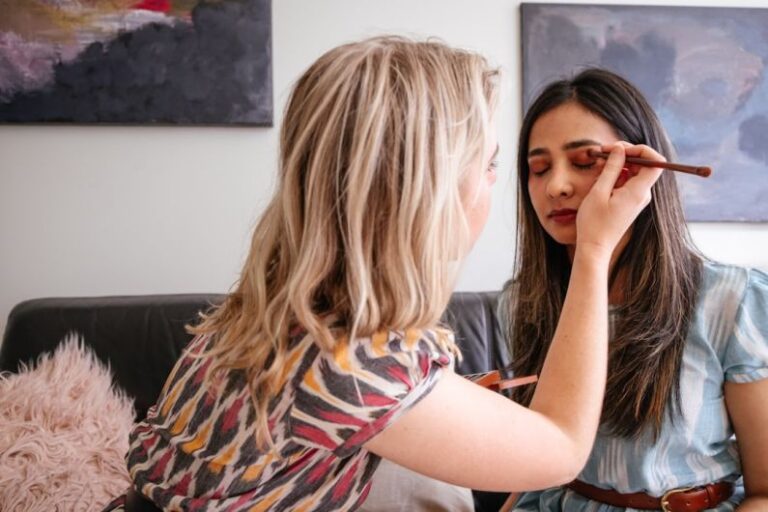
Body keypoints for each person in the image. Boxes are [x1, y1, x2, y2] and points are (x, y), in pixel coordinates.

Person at [103, 39, 661, 511]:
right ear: (429, 189)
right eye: (492, 165)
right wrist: (594, 251)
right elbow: (559, 448)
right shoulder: (352, 362)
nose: (523, 185)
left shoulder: (275, 309)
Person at [502, 68, 768, 512]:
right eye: (538, 168)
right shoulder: (525, 300)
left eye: (585, 162)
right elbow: (537, 460)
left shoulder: (731, 298)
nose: (556, 186)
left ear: (642, 171)